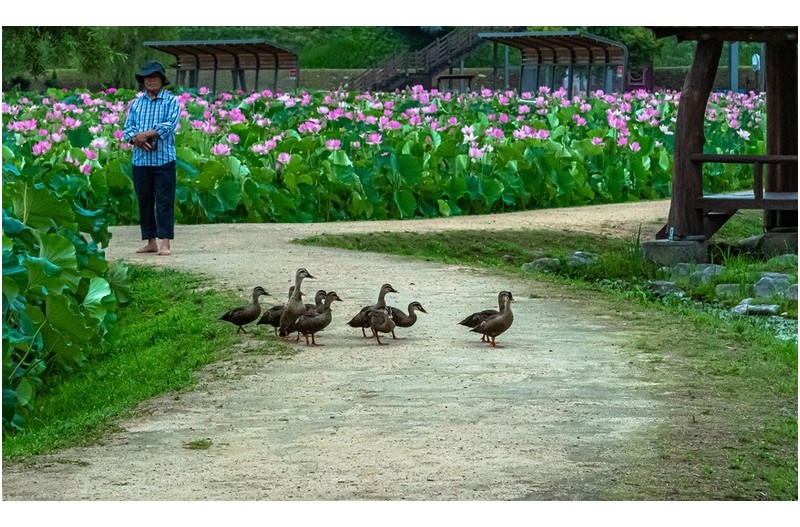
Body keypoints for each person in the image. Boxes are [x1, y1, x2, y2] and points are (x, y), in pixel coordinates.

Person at [123, 60, 181, 256]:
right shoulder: (136, 103)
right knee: (144, 201)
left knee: (164, 201)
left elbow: (169, 126)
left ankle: (165, 243)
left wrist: (145, 135)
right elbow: (127, 129)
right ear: (144, 81)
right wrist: (136, 139)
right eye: (148, 77)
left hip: (164, 160)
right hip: (140, 160)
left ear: (162, 80)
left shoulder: (172, 101)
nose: (151, 81)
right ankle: (150, 241)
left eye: (155, 77)